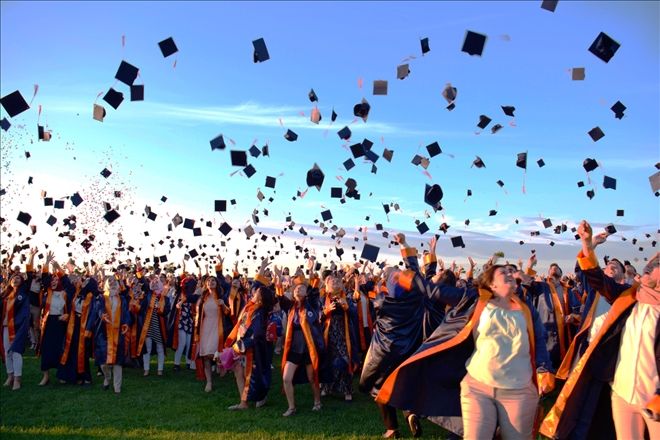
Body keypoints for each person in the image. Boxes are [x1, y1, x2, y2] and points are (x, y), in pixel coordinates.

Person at [376, 257, 555, 440]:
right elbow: (434, 290)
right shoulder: (474, 299)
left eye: (512, 271)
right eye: (503, 272)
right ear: (491, 284)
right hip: (480, 384)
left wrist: (543, 368)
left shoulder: (526, 310)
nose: (510, 274)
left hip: (517, 387)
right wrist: (406, 277)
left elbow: (538, 339)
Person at [540, 220, 660, 440]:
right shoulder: (628, 297)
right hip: (617, 384)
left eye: (654, 268)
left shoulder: (638, 298)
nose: (648, 270)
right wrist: (587, 244)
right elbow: (594, 277)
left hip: (652, 398)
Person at [225, 259, 275, 410]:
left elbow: (257, 334)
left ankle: (258, 397)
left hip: (253, 348)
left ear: (260, 299)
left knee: (254, 375)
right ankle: (244, 402)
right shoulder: (250, 306)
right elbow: (257, 284)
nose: (253, 292)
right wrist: (262, 269)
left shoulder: (260, 313)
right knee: (238, 371)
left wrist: (242, 345)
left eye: (256, 293)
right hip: (243, 343)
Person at [279, 261, 324, 417]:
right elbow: (279, 296)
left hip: (308, 347)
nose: (299, 289)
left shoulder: (311, 304)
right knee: (286, 378)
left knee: (312, 378)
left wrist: (310, 270)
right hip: (293, 348)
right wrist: (279, 277)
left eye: (302, 288)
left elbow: (314, 290)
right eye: (296, 288)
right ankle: (292, 407)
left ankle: (317, 402)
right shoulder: (290, 307)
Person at [86, 275, 131, 394]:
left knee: (118, 361)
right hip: (103, 333)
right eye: (109, 281)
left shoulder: (122, 299)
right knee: (103, 361)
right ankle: (107, 377)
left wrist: (126, 323)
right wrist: (102, 315)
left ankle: (117, 387)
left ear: (117, 285)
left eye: (114, 281)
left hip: (118, 333)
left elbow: (126, 313)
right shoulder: (101, 297)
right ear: (106, 284)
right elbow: (97, 309)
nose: (111, 282)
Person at [1, 247, 37, 391]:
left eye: (18, 278)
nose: (16, 279)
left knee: (16, 352)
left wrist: (31, 256)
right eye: (13, 278)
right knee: (7, 351)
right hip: (4, 327)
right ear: (10, 281)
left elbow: (29, 273)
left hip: (18, 326)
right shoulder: (4, 295)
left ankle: (17, 379)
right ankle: (10, 375)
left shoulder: (23, 292)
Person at [38, 253, 75, 386]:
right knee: (46, 349)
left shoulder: (66, 292)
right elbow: (44, 278)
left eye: (56, 280)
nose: (53, 282)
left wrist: (58, 267)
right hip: (48, 323)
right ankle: (46, 376)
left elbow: (66, 281)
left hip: (61, 323)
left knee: (60, 348)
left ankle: (61, 374)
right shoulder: (48, 291)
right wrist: (47, 263)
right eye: (52, 280)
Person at [321, 271, 357, 401]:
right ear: (327, 285)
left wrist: (347, 307)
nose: (335, 283)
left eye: (337, 281)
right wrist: (327, 310)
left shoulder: (346, 296)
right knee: (328, 362)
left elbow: (354, 314)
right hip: (328, 335)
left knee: (345, 360)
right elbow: (317, 318)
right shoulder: (323, 298)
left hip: (343, 335)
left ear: (341, 284)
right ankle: (327, 388)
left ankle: (347, 390)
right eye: (332, 281)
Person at [57, 267, 97, 385]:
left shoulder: (92, 297)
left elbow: (93, 315)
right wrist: (59, 268)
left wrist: (89, 330)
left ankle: (85, 377)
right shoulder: (76, 292)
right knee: (70, 349)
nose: (82, 282)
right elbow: (66, 282)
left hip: (84, 327)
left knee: (82, 352)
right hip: (73, 325)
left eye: (85, 281)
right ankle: (71, 376)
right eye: (83, 280)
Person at [191, 270, 228, 392]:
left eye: (213, 280)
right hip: (205, 327)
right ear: (206, 284)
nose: (211, 282)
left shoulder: (222, 297)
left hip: (218, 327)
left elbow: (228, 312)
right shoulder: (202, 298)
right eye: (209, 281)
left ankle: (221, 367)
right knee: (206, 355)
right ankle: (209, 382)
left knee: (215, 353)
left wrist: (223, 305)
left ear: (216, 283)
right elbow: (197, 313)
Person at [135, 273, 171, 377]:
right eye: (153, 283)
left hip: (160, 326)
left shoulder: (165, 298)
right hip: (148, 326)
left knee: (160, 347)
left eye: (157, 283)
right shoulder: (147, 296)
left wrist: (160, 308)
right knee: (147, 347)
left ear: (160, 285)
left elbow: (167, 311)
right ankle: (146, 369)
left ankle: (160, 369)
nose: (155, 284)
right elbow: (141, 309)